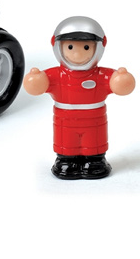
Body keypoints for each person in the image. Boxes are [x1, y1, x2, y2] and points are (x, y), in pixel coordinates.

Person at [23, 16, 135, 179]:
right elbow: (37, 85)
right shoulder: (56, 75)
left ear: (100, 45)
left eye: (86, 47)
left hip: (94, 120)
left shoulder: (101, 75)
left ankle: (95, 161)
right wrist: (36, 80)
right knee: (66, 143)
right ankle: (66, 161)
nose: (77, 53)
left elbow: (118, 84)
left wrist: (122, 80)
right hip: (65, 121)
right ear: (56, 45)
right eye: (70, 47)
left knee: (94, 143)